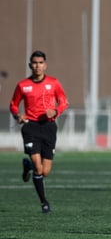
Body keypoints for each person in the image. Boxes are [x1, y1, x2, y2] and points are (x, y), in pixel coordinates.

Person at [9, 50, 69, 213]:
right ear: (30, 65)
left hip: (48, 128)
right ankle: (44, 203)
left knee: (46, 171)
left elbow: (63, 101)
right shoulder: (23, 85)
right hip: (30, 127)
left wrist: (56, 112)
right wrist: (17, 116)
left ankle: (27, 165)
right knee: (39, 168)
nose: (38, 66)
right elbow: (13, 104)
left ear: (45, 65)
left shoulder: (54, 83)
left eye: (41, 62)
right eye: (35, 63)